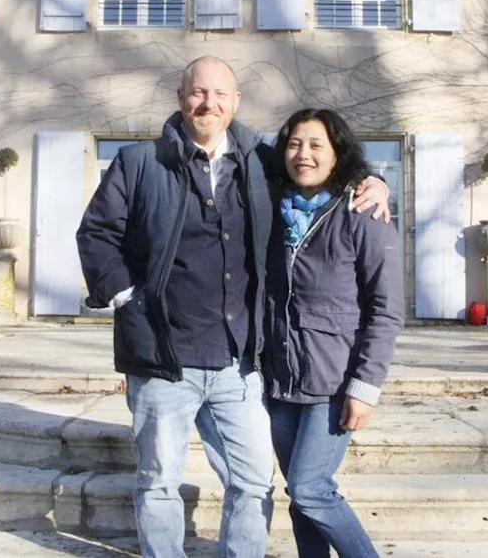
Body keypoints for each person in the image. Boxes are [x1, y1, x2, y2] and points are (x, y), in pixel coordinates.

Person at [76, 56, 389, 558]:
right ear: (182, 98)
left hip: (238, 364)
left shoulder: (261, 162)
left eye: (221, 94)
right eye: (199, 93)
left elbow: (318, 168)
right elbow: (96, 235)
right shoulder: (139, 163)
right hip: (162, 358)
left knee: (253, 483)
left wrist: (372, 181)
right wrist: (127, 300)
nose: (209, 103)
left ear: (235, 102)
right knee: (158, 482)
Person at [263, 108, 405, 558]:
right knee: (300, 496)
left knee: (310, 488)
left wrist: (365, 387)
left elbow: (386, 309)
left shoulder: (363, 211)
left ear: (336, 153)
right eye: (293, 143)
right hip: (279, 378)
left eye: (315, 145)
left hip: (334, 381)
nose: (302, 154)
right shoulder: (269, 208)